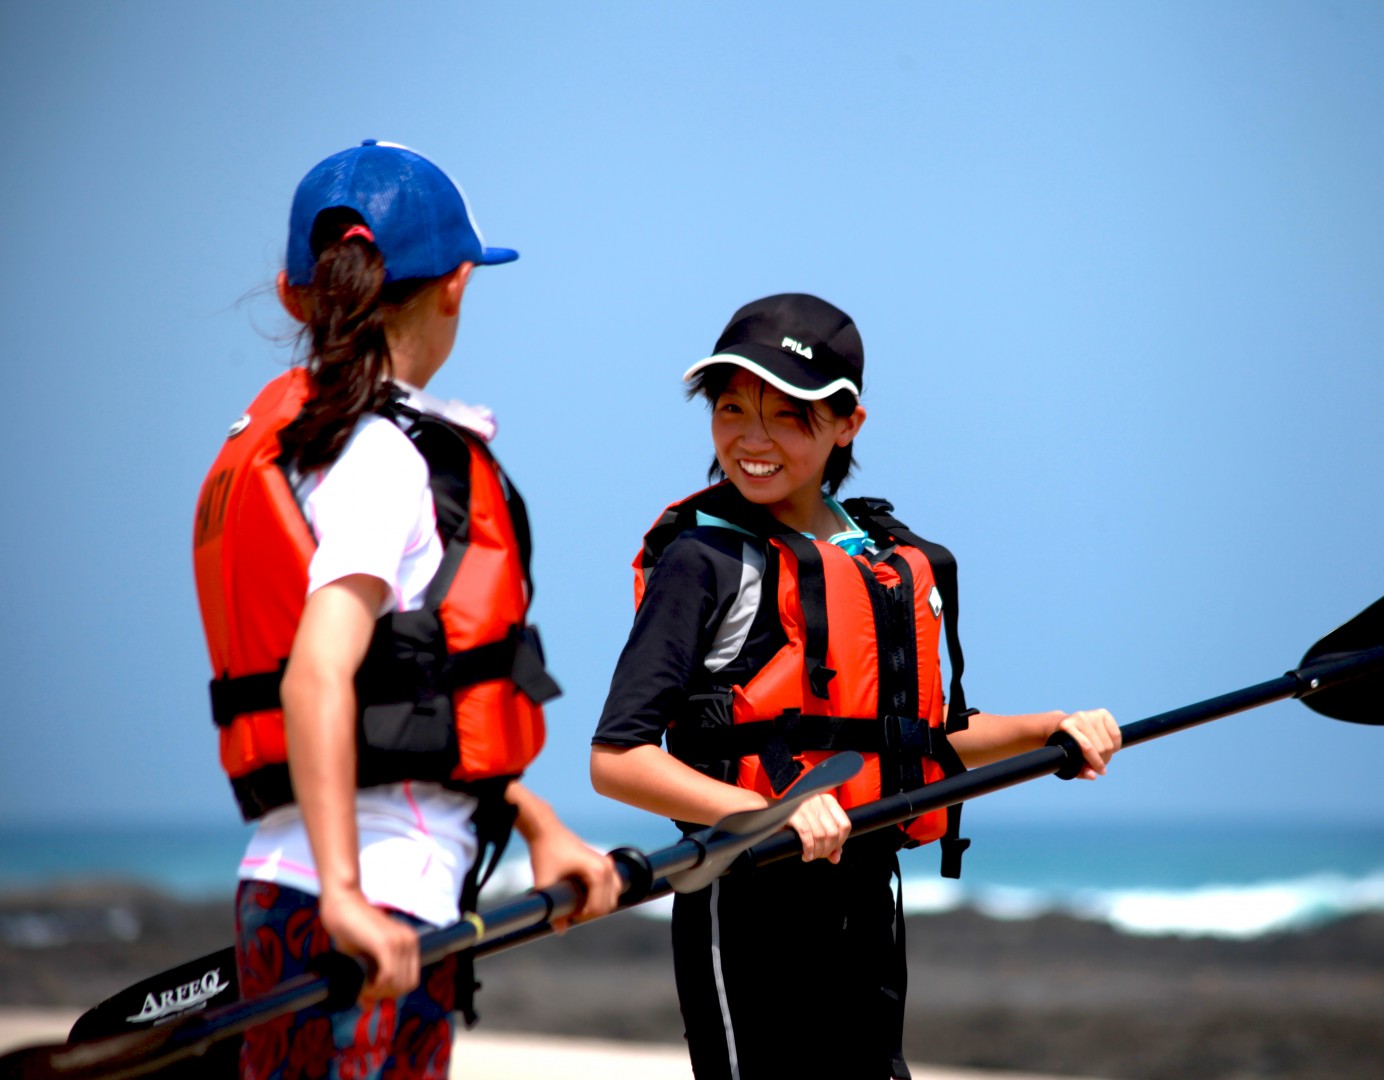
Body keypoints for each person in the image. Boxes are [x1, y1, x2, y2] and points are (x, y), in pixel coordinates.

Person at [590, 293, 1123, 1080]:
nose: (752, 439)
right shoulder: (702, 564)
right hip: (745, 894)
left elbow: (916, 740)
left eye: (787, 415)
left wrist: (1050, 729)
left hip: (868, 890)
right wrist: (766, 812)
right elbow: (618, 758)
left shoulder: (885, 559)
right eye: (732, 409)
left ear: (848, 425)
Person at [193, 140, 619, 1080]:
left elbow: (406, 696)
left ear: (292, 293)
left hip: (277, 887)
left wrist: (536, 822)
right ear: (458, 282)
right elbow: (318, 677)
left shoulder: (296, 447)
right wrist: (347, 896)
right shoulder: (386, 456)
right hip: (371, 903)